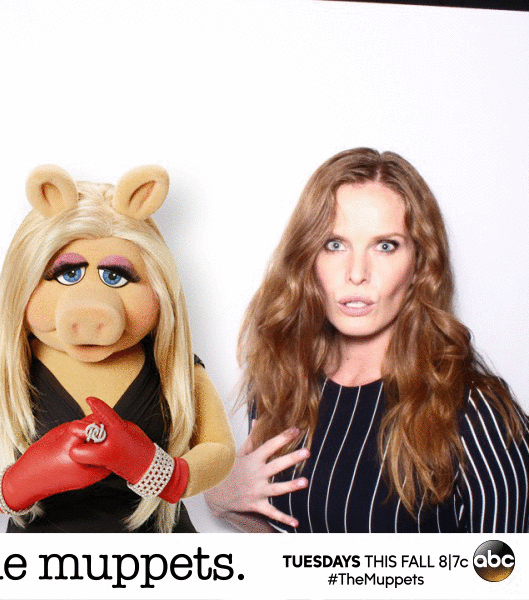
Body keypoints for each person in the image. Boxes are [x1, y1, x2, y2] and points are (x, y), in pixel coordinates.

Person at [205, 148, 529, 533]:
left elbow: (503, 567)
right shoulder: (284, 384)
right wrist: (222, 500)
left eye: (385, 245)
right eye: (334, 244)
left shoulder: (476, 412)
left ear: (420, 265)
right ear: (307, 258)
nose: (357, 272)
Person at [0, 164, 235, 533]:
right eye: (68, 274)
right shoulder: (3, 370)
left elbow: (219, 449)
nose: (93, 306)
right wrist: (13, 487)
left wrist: (165, 474)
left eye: (116, 276)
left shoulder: (173, 367)